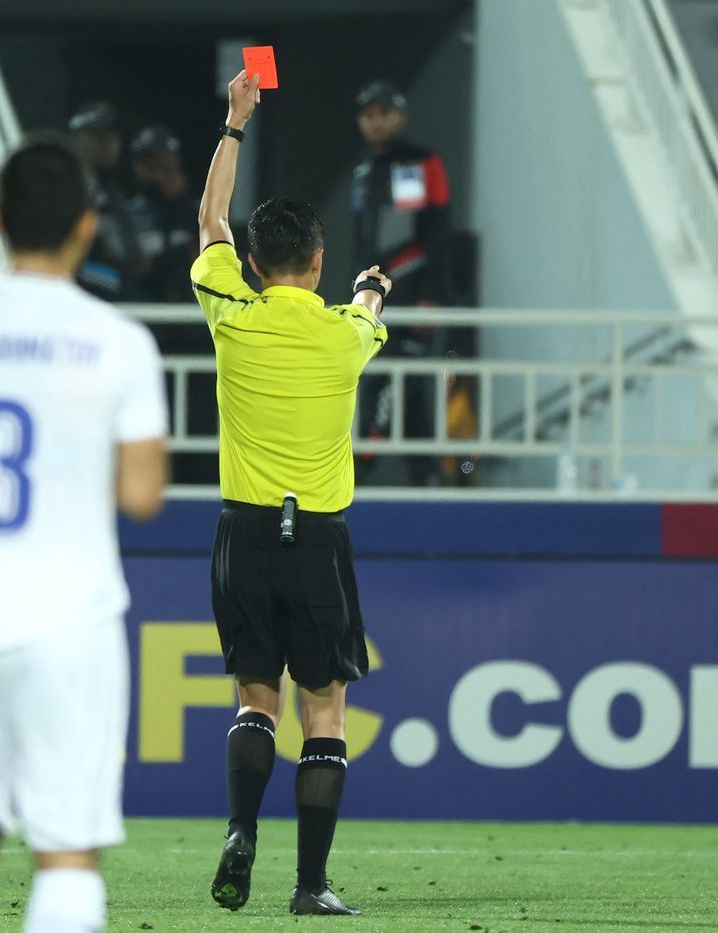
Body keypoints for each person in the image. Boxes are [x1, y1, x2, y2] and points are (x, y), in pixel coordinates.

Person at [0, 136, 169, 932]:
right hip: (69, 620)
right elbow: (143, 494)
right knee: (67, 846)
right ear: (87, 226)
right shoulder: (119, 341)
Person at [193, 70, 389, 918]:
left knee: (253, 698)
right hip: (318, 540)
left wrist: (236, 123)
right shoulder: (348, 335)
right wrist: (372, 289)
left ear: (251, 263)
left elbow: (208, 222)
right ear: (318, 261)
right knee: (327, 707)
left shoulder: (230, 311)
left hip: (241, 532)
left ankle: (242, 828)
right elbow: (367, 305)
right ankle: (309, 885)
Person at [350, 80, 454, 486]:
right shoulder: (362, 169)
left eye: (383, 114)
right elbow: (364, 240)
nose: (375, 123)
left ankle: (367, 469)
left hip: (412, 291)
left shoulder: (423, 161)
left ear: (401, 117)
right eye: (367, 115)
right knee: (389, 379)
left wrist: (432, 293)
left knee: (399, 377)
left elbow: (439, 230)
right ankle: (421, 474)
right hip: (375, 291)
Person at [68, 101, 142, 300]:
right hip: (73, 270)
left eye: (112, 137)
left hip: (109, 272)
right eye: (98, 137)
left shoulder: (110, 186)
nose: (108, 143)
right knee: (122, 285)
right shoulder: (68, 182)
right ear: (77, 139)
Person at [127, 125, 199, 302]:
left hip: (192, 302)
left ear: (173, 160)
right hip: (147, 300)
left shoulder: (199, 206)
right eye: (145, 162)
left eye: (159, 160)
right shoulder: (132, 209)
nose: (153, 168)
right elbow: (137, 266)